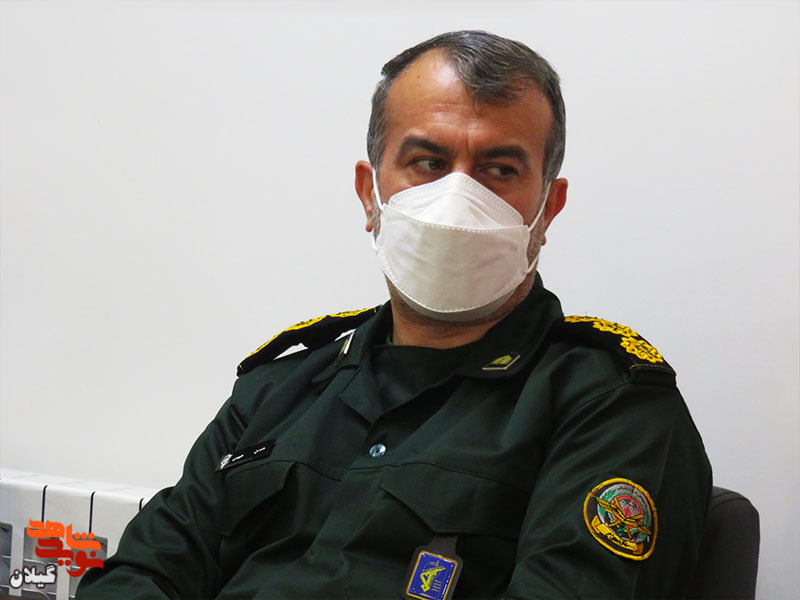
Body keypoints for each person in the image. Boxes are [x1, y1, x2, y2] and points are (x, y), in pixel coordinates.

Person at [76, 30, 711, 599]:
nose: (458, 198)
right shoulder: (279, 387)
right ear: (369, 193)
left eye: (499, 169)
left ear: (549, 208)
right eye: (428, 163)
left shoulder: (610, 407)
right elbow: (147, 572)